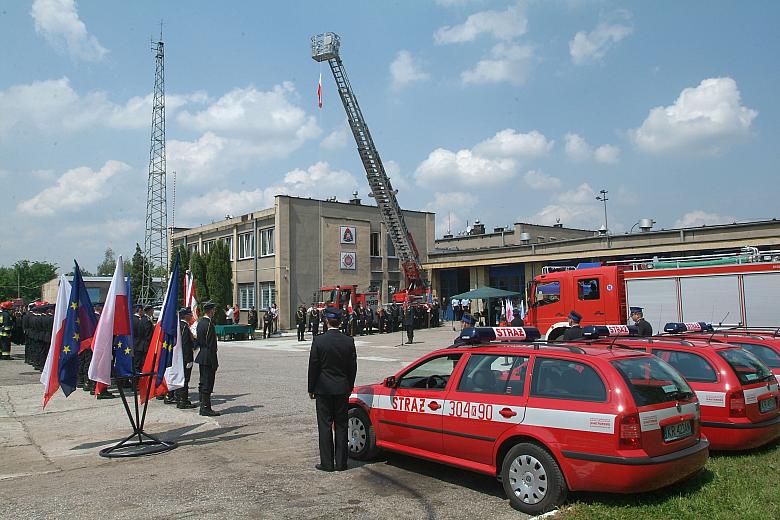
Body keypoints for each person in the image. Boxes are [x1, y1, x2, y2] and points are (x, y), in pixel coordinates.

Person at [307, 308, 357, 472]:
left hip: (323, 388)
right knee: (342, 425)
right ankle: (341, 463)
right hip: (342, 388)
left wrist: (311, 387)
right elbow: (352, 367)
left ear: (326, 321)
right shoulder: (348, 341)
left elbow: (314, 366)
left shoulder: (319, 341)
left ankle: (327, 463)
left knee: (325, 426)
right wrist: (349, 385)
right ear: (340, 322)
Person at [195, 301, 220, 417]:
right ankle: (205, 407)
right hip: (208, 356)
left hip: (202, 355)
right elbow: (211, 344)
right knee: (207, 382)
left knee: (203, 381)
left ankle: (203, 404)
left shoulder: (200, 323)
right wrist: (214, 361)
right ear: (210, 311)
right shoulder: (209, 324)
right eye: (214, 310)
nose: (214, 312)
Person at [177, 308, 197, 409]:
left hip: (179, 358)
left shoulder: (179, 325)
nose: (191, 316)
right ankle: (183, 400)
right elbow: (185, 345)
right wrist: (188, 359)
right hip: (185, 357)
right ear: (185, 316)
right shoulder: (184, 326)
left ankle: (180, 398)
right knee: (185, 378)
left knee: (182, 378)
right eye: (190, 314)